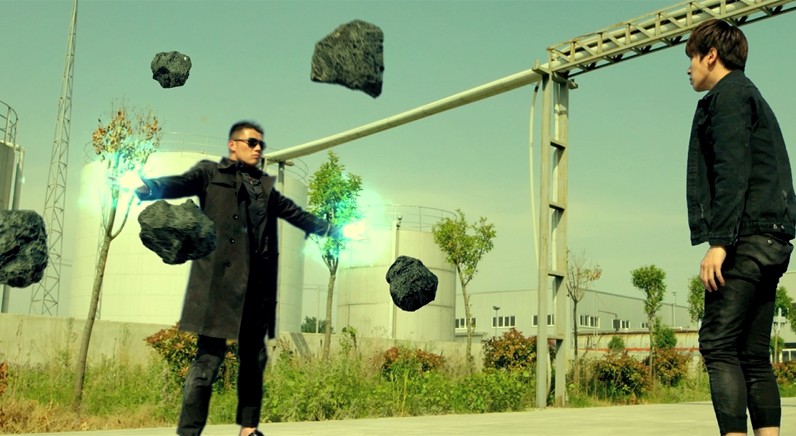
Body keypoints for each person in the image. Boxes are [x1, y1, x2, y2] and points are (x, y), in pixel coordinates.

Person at [136, 120, 340, 436]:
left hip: (255, 290)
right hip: (217, 288)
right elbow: (179, 182)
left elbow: (297, 214)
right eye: (252, 142)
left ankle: (248, 429)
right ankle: (188, 433)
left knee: (254, 360)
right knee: (207, 363)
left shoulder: (266, 189)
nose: (258, 149)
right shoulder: (210, 174)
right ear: (233, 144)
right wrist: (147, 187)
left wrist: (333, 230)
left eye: (261, 144)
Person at [685, 19, 795, 436]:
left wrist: (719, 243)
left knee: (717, 345)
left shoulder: (728, 96)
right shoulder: (753, 96)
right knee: (752, 355)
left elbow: (732, 171)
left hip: (744, 238)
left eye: (692, 57)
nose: (689, 68)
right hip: (772, 238)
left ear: (711, 55)